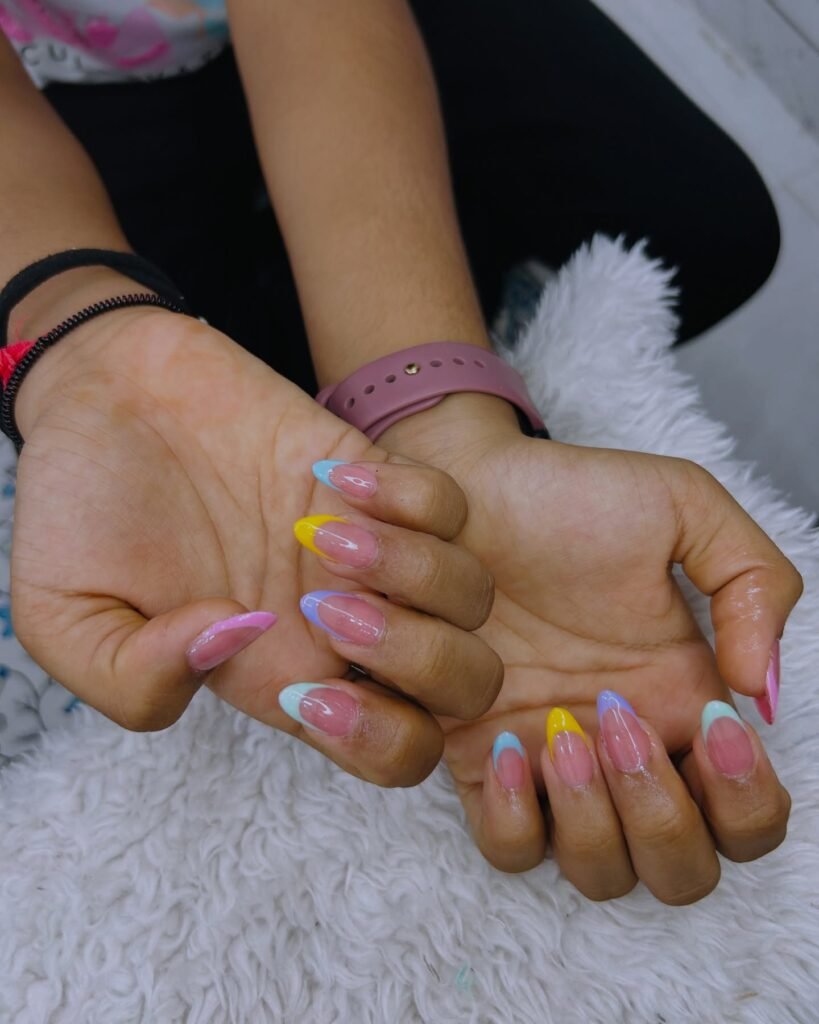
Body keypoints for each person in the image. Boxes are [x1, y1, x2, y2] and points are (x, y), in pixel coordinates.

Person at [0, 0, 801, 904]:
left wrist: (436, 423)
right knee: (248, 372)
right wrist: (81, 338)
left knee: (708, 223)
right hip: (51, 82)